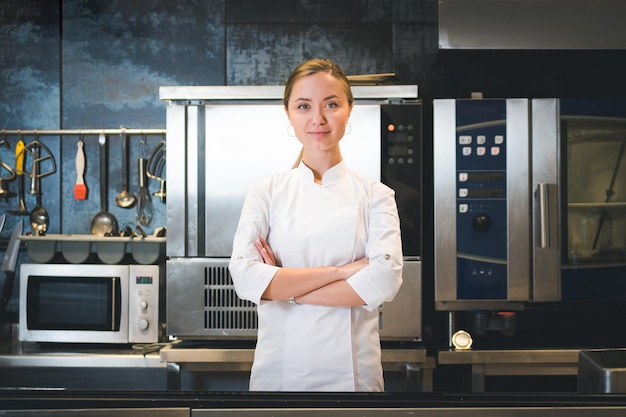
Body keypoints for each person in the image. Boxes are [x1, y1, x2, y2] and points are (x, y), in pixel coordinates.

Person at [228, 58, 403, 392]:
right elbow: (245, 277)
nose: (318, 119)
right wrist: (341, 272)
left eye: (332, 104)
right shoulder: (266, 193)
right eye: (304, 106)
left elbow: (384, 280)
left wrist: (285, 290)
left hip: (353, 380)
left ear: (350, 109)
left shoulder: (376, 196)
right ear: (288, 113)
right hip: (279, 376)